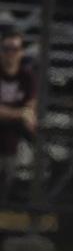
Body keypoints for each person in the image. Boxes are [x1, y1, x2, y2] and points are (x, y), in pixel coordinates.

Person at [0, 26, 36, 204]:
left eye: (14, 49)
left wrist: (17, 114)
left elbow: (29, 110)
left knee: (7, 178)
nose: (9, 53)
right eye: (6, 48)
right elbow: (23, 112)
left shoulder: (27, 76)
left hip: (11, 139)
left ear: (21, 52)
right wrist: (18, 113)